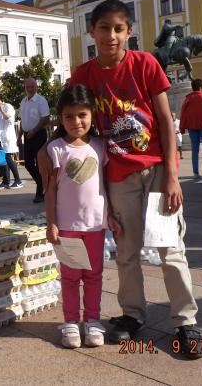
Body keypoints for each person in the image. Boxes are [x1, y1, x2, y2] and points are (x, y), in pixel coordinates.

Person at [41, 0, 202, 358]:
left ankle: (184, 319)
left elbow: (165, 120)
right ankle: (133, 315)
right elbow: (72, 116)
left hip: (156, 170)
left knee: (170, 248)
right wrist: (48, 150)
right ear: (92, 32)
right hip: (118, 176)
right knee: (127, 252)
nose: (111, 36)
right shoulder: (83, 74)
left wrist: (173, 176)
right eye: (104, 28)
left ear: (128, 32)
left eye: (118, 29)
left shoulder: (145, 63)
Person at [46, 85, 122, 348]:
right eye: (69, 116)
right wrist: (51, 223)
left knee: (94, 276)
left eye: (82, 115)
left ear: (92, 115)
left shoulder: (100, 146)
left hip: (96, 226)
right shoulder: (56, 149)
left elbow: (107, 184)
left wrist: (110, 214)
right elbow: (50, 190)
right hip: (66, 227)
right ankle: (70, 322)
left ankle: (92, 321)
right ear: (60, 117)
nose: (76, 122)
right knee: (69, 277)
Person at [19, 77, 50, 202]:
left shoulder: (41, 101)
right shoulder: (23, 101)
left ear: (36, 87)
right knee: (28, 164)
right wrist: (19, 135)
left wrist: (34, 130)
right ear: (25, 88)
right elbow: (22, 120)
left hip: (38, 134)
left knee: (40, 163)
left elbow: (45, 118)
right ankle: (42, 184)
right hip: (27, 135)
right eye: (28, 87)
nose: (30, 89)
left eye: (32, 87)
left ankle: (40, 192)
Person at [179, 78, 202, 179]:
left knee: (194, 150)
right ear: (200, 88)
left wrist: (182, 128)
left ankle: (196, 173)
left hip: (192, 127)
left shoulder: (188, 99)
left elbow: (183, 114)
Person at [0, 92, 23, 189]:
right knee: (1, 161)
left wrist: (2, 110)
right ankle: (5, 181)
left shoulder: (8, 106)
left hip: (7, 138)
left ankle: (18, 180)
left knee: (8, 159)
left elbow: (10, 119)